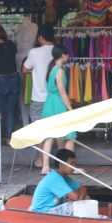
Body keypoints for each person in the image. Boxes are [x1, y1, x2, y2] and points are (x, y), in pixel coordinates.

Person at [22, 24, 55, 169]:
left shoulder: (34, 52)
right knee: (52, 129)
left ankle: (42, 160)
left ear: (40, 38)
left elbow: (25, 69)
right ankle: (48, 160)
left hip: (38, 97)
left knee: (38, 128)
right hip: (53, 98)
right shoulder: (58, 51)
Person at [40, 45, 77, 175]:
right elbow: (62, 93)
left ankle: (45, 167)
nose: (68, 57)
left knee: (49, 137)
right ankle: (68, 166)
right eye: (67, 54)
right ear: (63, 55)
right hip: (58, 104)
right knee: (70, 135)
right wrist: (70, 108)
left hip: (49, 104)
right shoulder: (60, 71)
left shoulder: (51, 69)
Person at [30, 149, 88, 216]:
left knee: (83, 203)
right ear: (61, 164)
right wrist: (79, 200)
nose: (74, 167)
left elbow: (83, 188)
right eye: (71, 163)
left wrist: (79, 200)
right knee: (79, 206)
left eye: (75, 164)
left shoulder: (63, 177)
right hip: (43, 212)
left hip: (52, 209)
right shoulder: (54, 178)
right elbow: (75, 197)